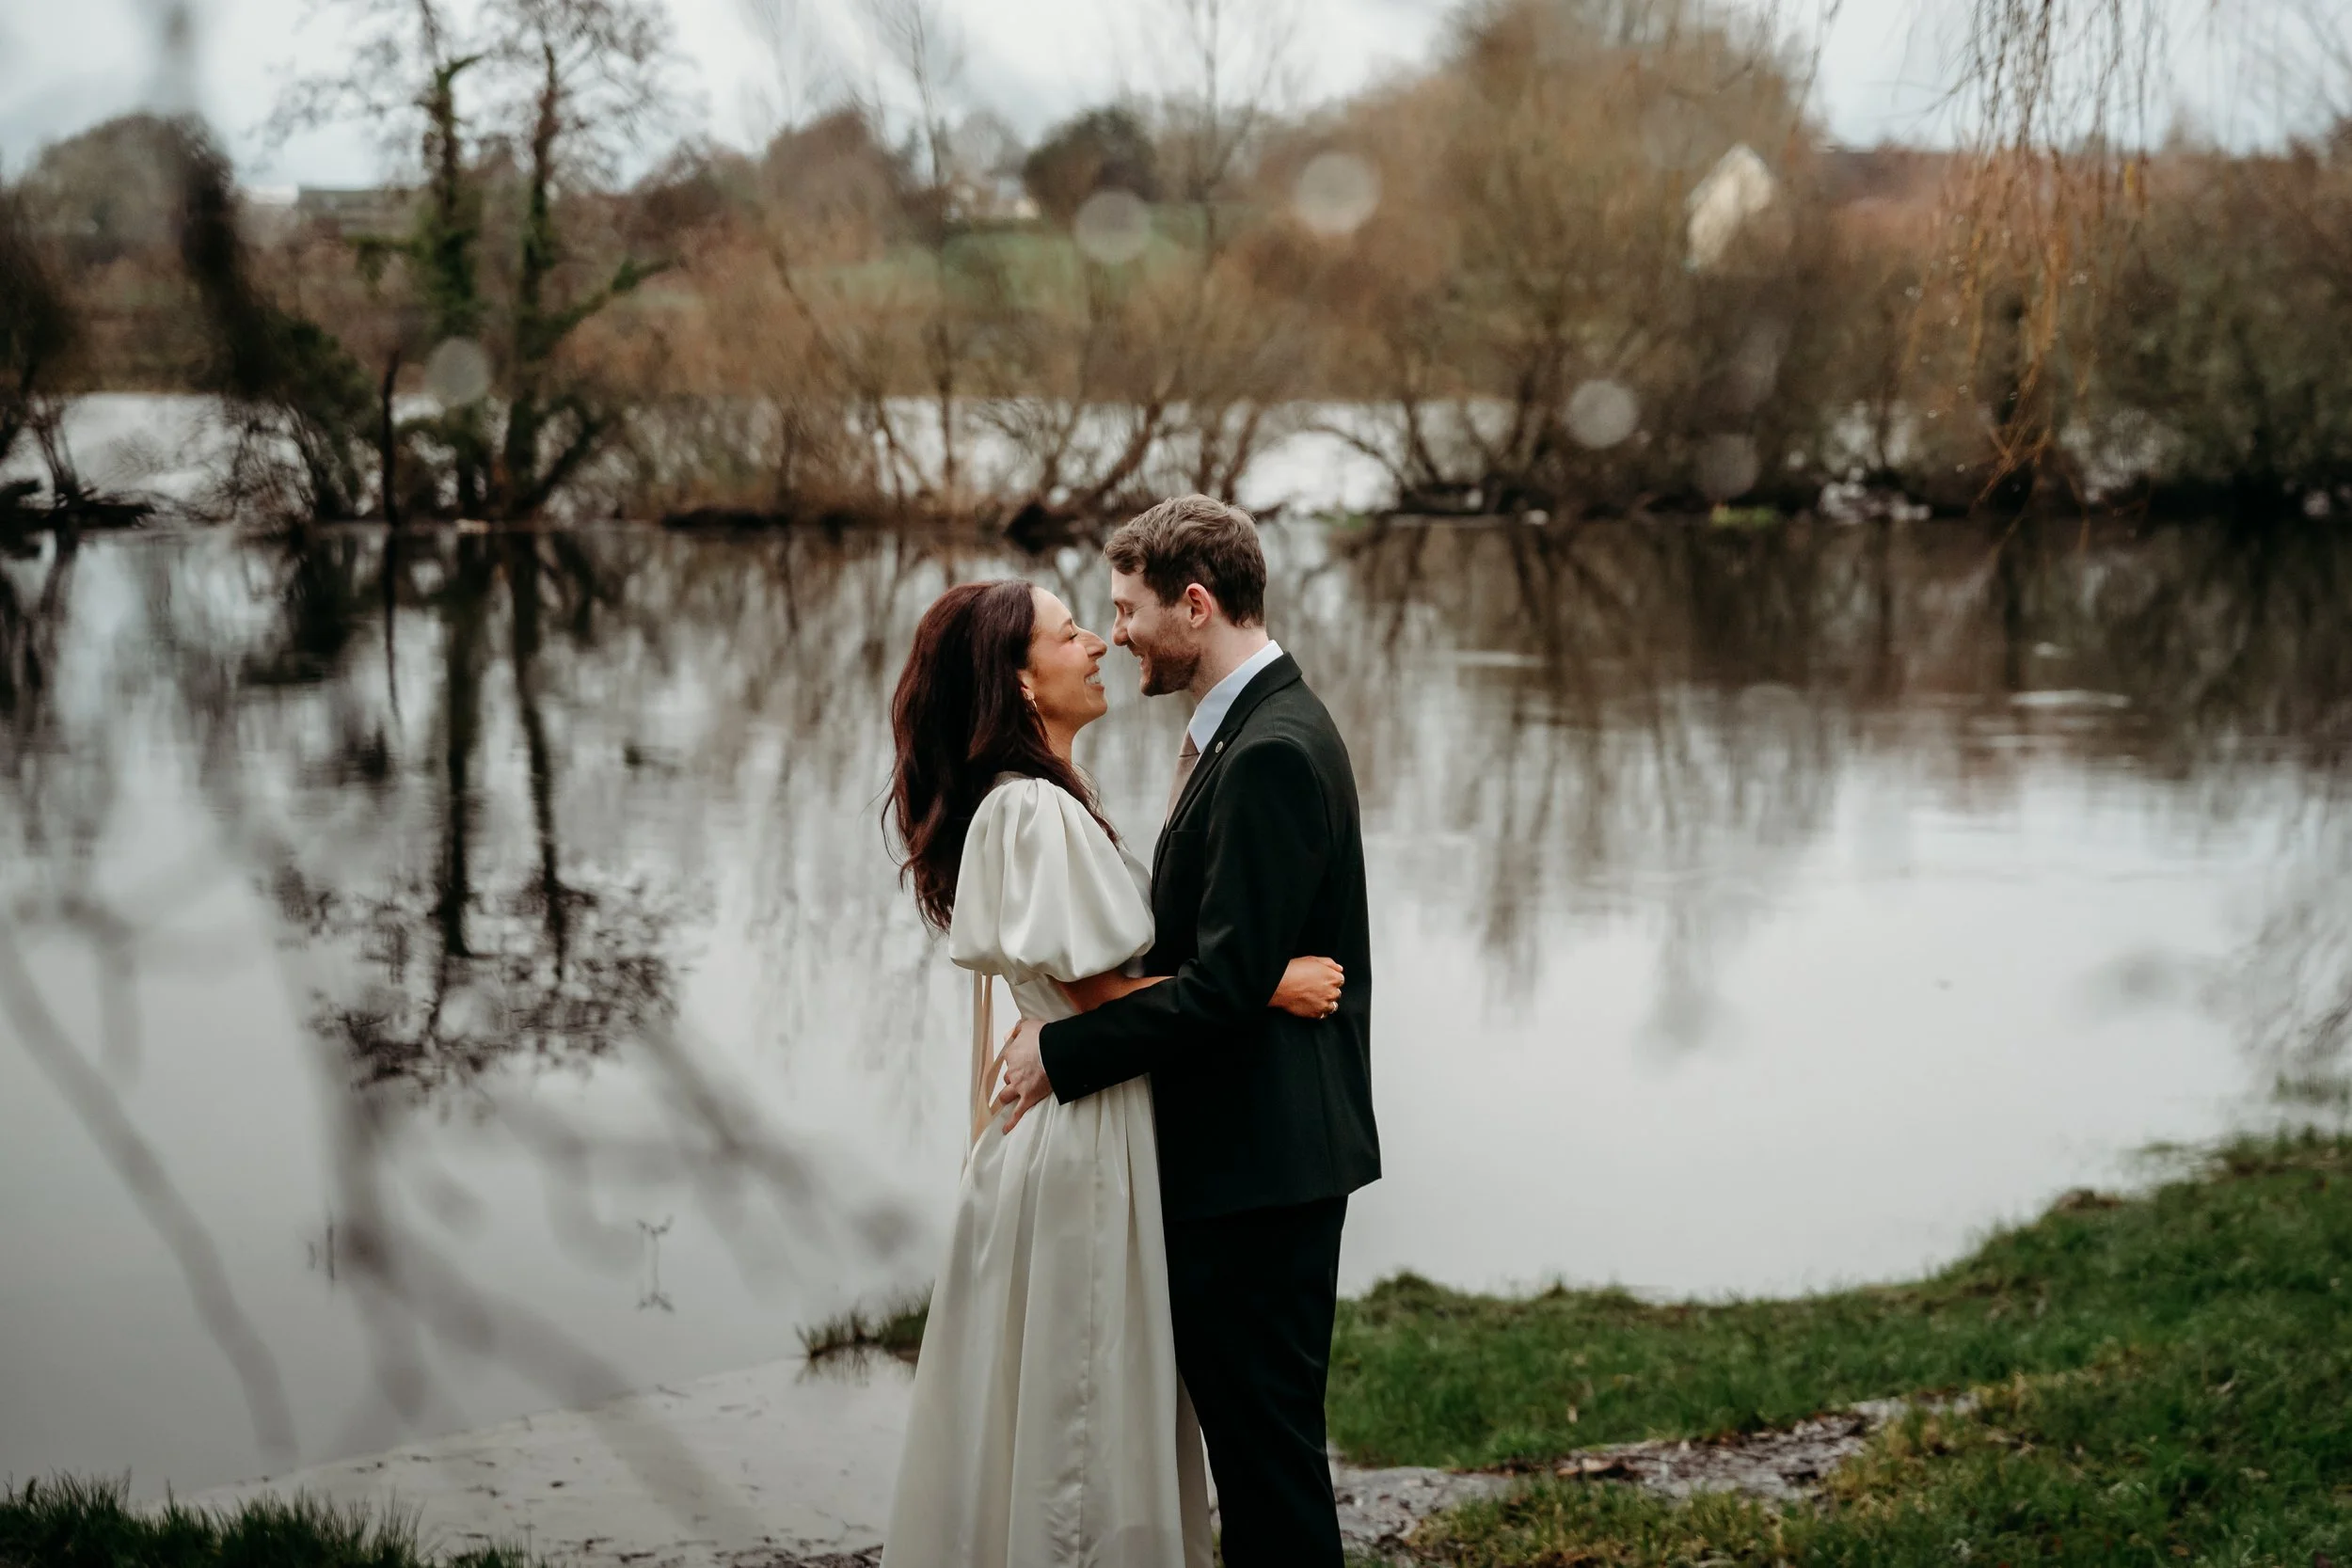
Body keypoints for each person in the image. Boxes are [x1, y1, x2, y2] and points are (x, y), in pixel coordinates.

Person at [880, 575, 1345, 1568]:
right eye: (1069, 631)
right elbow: (1094, 998)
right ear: (1018, 679)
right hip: (1084, 1141)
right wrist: (1266, 982)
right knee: (1083, 1410)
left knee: (1077, 1396)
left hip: (1088, 1121)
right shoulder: (1034, 810)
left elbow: (1082, 984)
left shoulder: (1039, 803)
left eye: (1101, 621)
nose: (1098, 642)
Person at [995, 495, 1381, 1567]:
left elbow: (1216, 988)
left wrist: (1059, 1050)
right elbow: (1224, 966)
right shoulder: (1253, 731)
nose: (1115, 635)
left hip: (1260, 1169)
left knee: (1267, 1467)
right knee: (1261, 1460)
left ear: (1195, 605)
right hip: (1255, 1161)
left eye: (1127, 610)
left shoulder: (1266, 751)